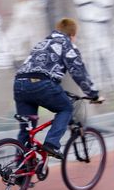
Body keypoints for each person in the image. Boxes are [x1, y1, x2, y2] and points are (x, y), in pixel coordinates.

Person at [14, 17, 100, 160]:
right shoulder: (67, 44)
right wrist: (94, 94)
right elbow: (78, 71)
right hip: (41, 84)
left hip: (19, 84)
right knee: (66, 108)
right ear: (72, 35)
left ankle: (19, 173)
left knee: (26, 130)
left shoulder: (42, 43)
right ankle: (52, 143)